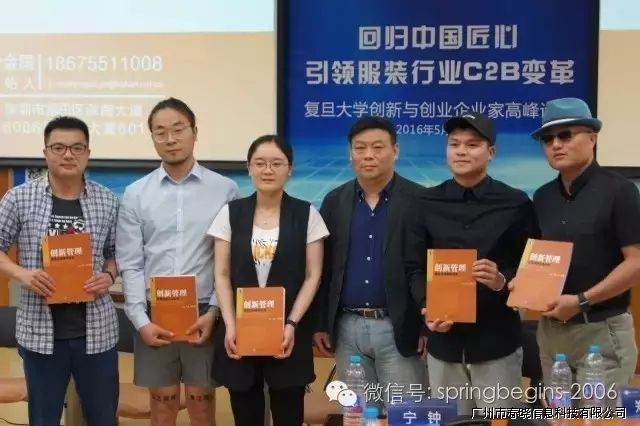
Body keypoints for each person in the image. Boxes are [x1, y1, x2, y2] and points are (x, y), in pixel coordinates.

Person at [405, 113, 539, 415]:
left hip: (496, 342)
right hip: (444, 344)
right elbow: (413, 268)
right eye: (454, 144)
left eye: (472, 144)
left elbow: (532, 267)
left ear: (491, 152)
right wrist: (427, 306)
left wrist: (501, 280)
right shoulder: (424, 203)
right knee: (450, 421)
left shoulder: (516, 203)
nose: (462, 151)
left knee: (501, 421)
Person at [116, 97, 239, 425]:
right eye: (160, 132)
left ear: (194, 132)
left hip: (204, 314)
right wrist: (140, 320)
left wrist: (214, 312)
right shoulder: (136, 193)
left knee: (201, 404)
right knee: (162, 404)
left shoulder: (225, 190)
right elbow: (131, 263)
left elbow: (229, 262)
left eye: (178, 129)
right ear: (152, 138)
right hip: (155, 313)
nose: (170, 139)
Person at [0, 116, 120, 425]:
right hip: (40, 333)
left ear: (87, 153)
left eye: (77, 148)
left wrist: (108, 276)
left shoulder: (108, 201)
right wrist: (22, 274)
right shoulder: (19, 198)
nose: (68, 155)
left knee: (103, 417)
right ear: (45, 152)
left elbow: (116, 254)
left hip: (97, 333)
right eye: (59, 147)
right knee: (44, 418)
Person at [207, 135, 328, 426]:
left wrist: (292, 323)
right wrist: (231, 324)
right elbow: (221, 274)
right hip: (240, 332)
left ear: (290, 169)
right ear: (248, 167)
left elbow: (313, 276)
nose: (268, 170)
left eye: (277, 163)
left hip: (288, 333)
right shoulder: (230, 213)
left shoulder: (307, 214)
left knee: (289, 415)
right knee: (245, 416)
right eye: (260, 163)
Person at [529, 97, 640, 405]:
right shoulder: (543, 197)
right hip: (552, 332)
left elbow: (636, 263)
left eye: (566, 135)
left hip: (601, 332)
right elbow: (539, 260)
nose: (556, 144)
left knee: (598, 421)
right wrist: (521, 285)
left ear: (592, 138)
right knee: (559, 419)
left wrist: (581, 301)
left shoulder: (620, 191)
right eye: (548, 139)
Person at [313, 116, 427, 409]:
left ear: (395, 151)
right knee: (358, 415)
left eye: (378, 147)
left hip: (400, 328)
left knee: (406, 414)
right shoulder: (335, 201)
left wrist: (426, 328)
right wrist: (321, 324)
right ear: (350, 153)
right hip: (347, 329)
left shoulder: (421, 200)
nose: (368, 155)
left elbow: (429, 266)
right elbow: (324, 269)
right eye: (360, 147)